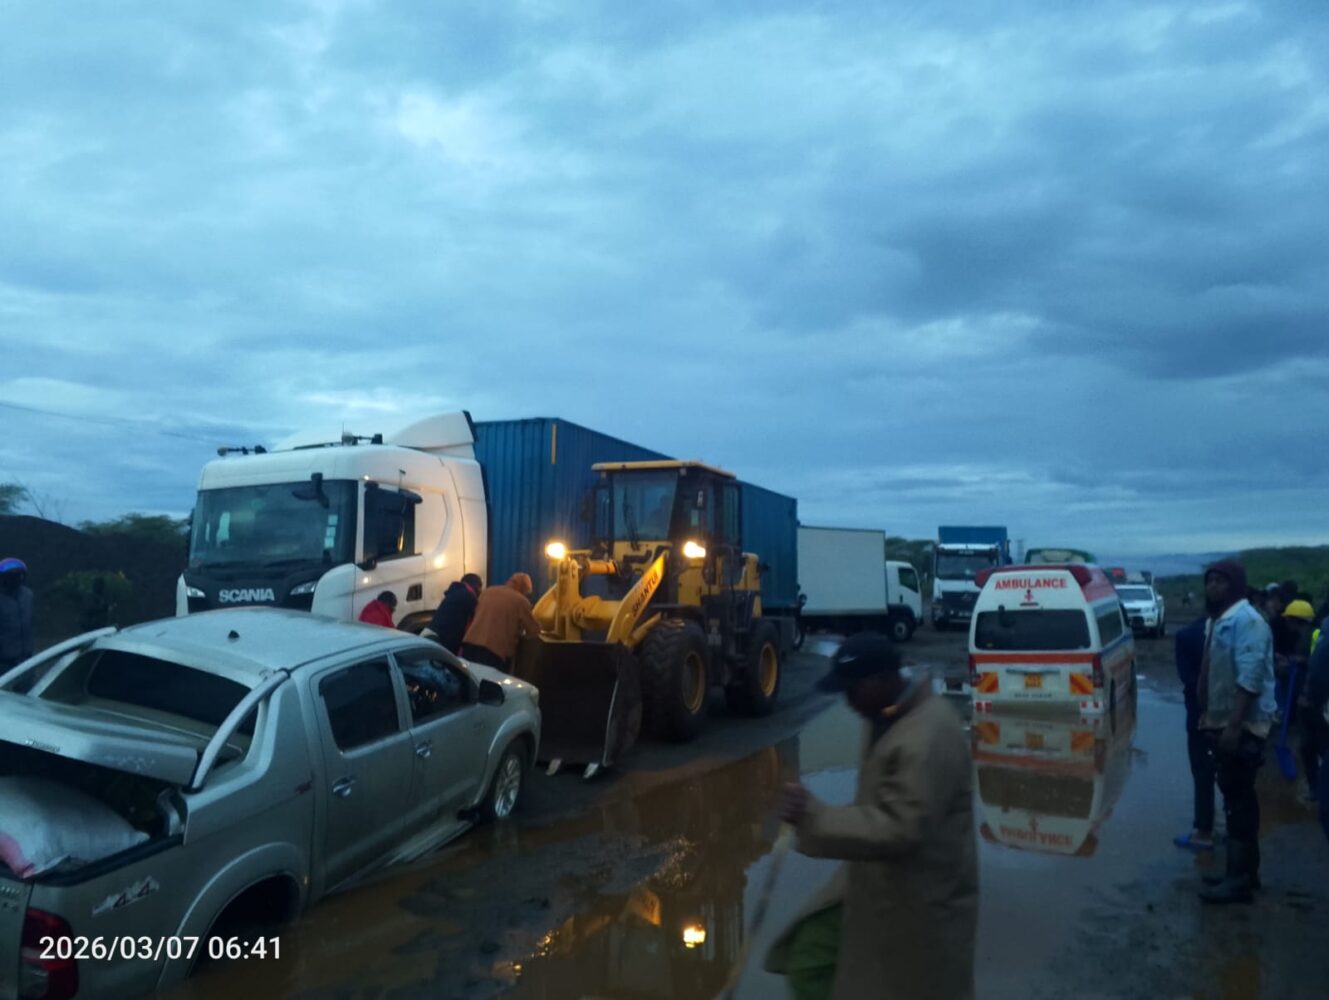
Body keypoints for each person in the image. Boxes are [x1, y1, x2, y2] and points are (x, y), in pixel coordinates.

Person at [767, 632, 977, 1000]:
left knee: (904, 985)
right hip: (875, 884)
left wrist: (814, 816)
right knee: (810, 954)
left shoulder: (928, 736)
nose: (847, 703)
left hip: (917, 900)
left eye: (852, 690)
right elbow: (877, 808)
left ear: (880, 681)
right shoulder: (886, 716)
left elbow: (900, 826)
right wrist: (812, 813)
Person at [1197, 560, 1277, 904]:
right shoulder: (1217, 622)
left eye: (1220, 582)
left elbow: (1251, 678)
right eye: (1210, 581)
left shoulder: (1249, 622)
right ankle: (1242, 873)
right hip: (1221, 720)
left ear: (1236, 586)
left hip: (1243, 725)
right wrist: (1206, 714)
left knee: (1238, 803)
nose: (1212, 587)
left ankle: (1240, 880)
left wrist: (1232, 725)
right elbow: (1209, 673)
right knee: (1235, 798)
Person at [1173, 615, 1216, 851]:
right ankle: (1238, 833)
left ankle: (1204, 831)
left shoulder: (1185, 636)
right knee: (1236, 780)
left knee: (1203, 775)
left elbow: (1187, 679)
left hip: (1199, 717)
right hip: (1235, 718)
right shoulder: (1244, 631)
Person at [461, 572, 542, 670]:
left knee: (469, 680)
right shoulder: (521, 601)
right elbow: (534, 630)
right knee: (490, 683)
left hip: (469, 644)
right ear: (524, 589)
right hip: (494, 652)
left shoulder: (487, 592)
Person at [425, 573, 483, 654]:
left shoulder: (454, 593)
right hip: (442, 644)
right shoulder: (469, 597)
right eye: (480, 587)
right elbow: (475, 628)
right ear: (476, 586)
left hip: (428, 635)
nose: (481, 591)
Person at [0, 557, 34, 672]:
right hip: (4, 660)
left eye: (17, 575)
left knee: (29, 688)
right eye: (10, 575)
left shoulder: (28, 595)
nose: (14, 578)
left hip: (26, 657)